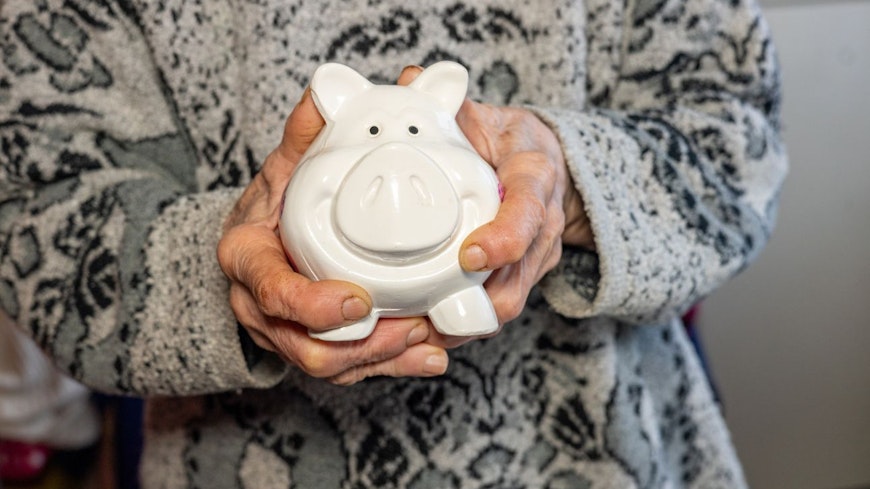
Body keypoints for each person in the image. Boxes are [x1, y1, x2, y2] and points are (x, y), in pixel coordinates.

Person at [0, 0, 787, 487]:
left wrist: (568, 186)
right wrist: (234, 266)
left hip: (606, 453)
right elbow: (38, 208)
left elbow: (738, 140)